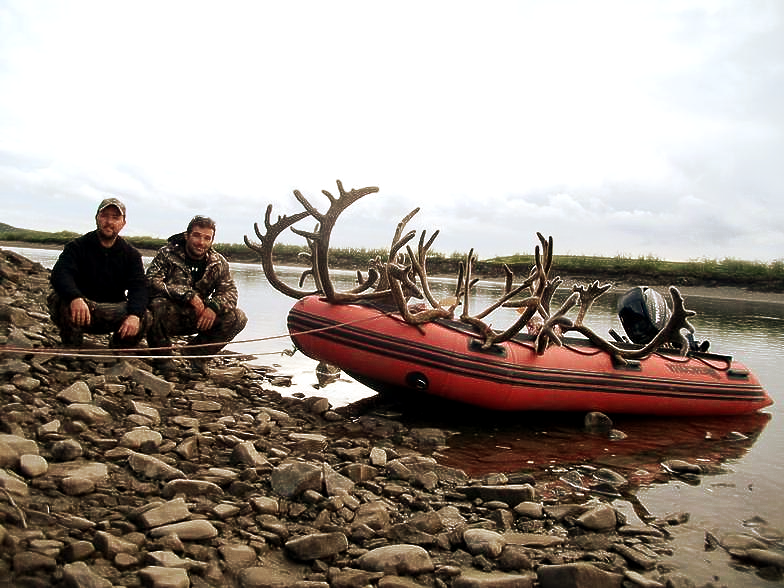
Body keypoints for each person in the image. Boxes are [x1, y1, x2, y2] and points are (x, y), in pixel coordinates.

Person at [145, 215, 247, 374]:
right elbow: (150, 282)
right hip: (166, 316)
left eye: (207, 238)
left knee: (238, 317)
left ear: (212, 240)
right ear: (187, 236)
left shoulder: (218, 262)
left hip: (198, 317)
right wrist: (187, 295)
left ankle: (196, 355)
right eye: (197, 236)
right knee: (156, 305)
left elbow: (230, 292)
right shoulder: (167, 253)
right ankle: (162, 359)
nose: (201, 242)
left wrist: (214, 306)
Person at [48, 197, 149, 348]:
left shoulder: (132, 255)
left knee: (145, 315)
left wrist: (134, 315)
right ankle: (72, 346)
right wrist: (75, 297)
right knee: (60, 299)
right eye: (105, 216)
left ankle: (119, 347)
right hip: (83, 309)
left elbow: (139, 288)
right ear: (97, 218)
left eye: (115, 217)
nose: (109, 222)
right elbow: (60, 274)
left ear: (123, 223)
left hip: (114, 311)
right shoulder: (76, 246)